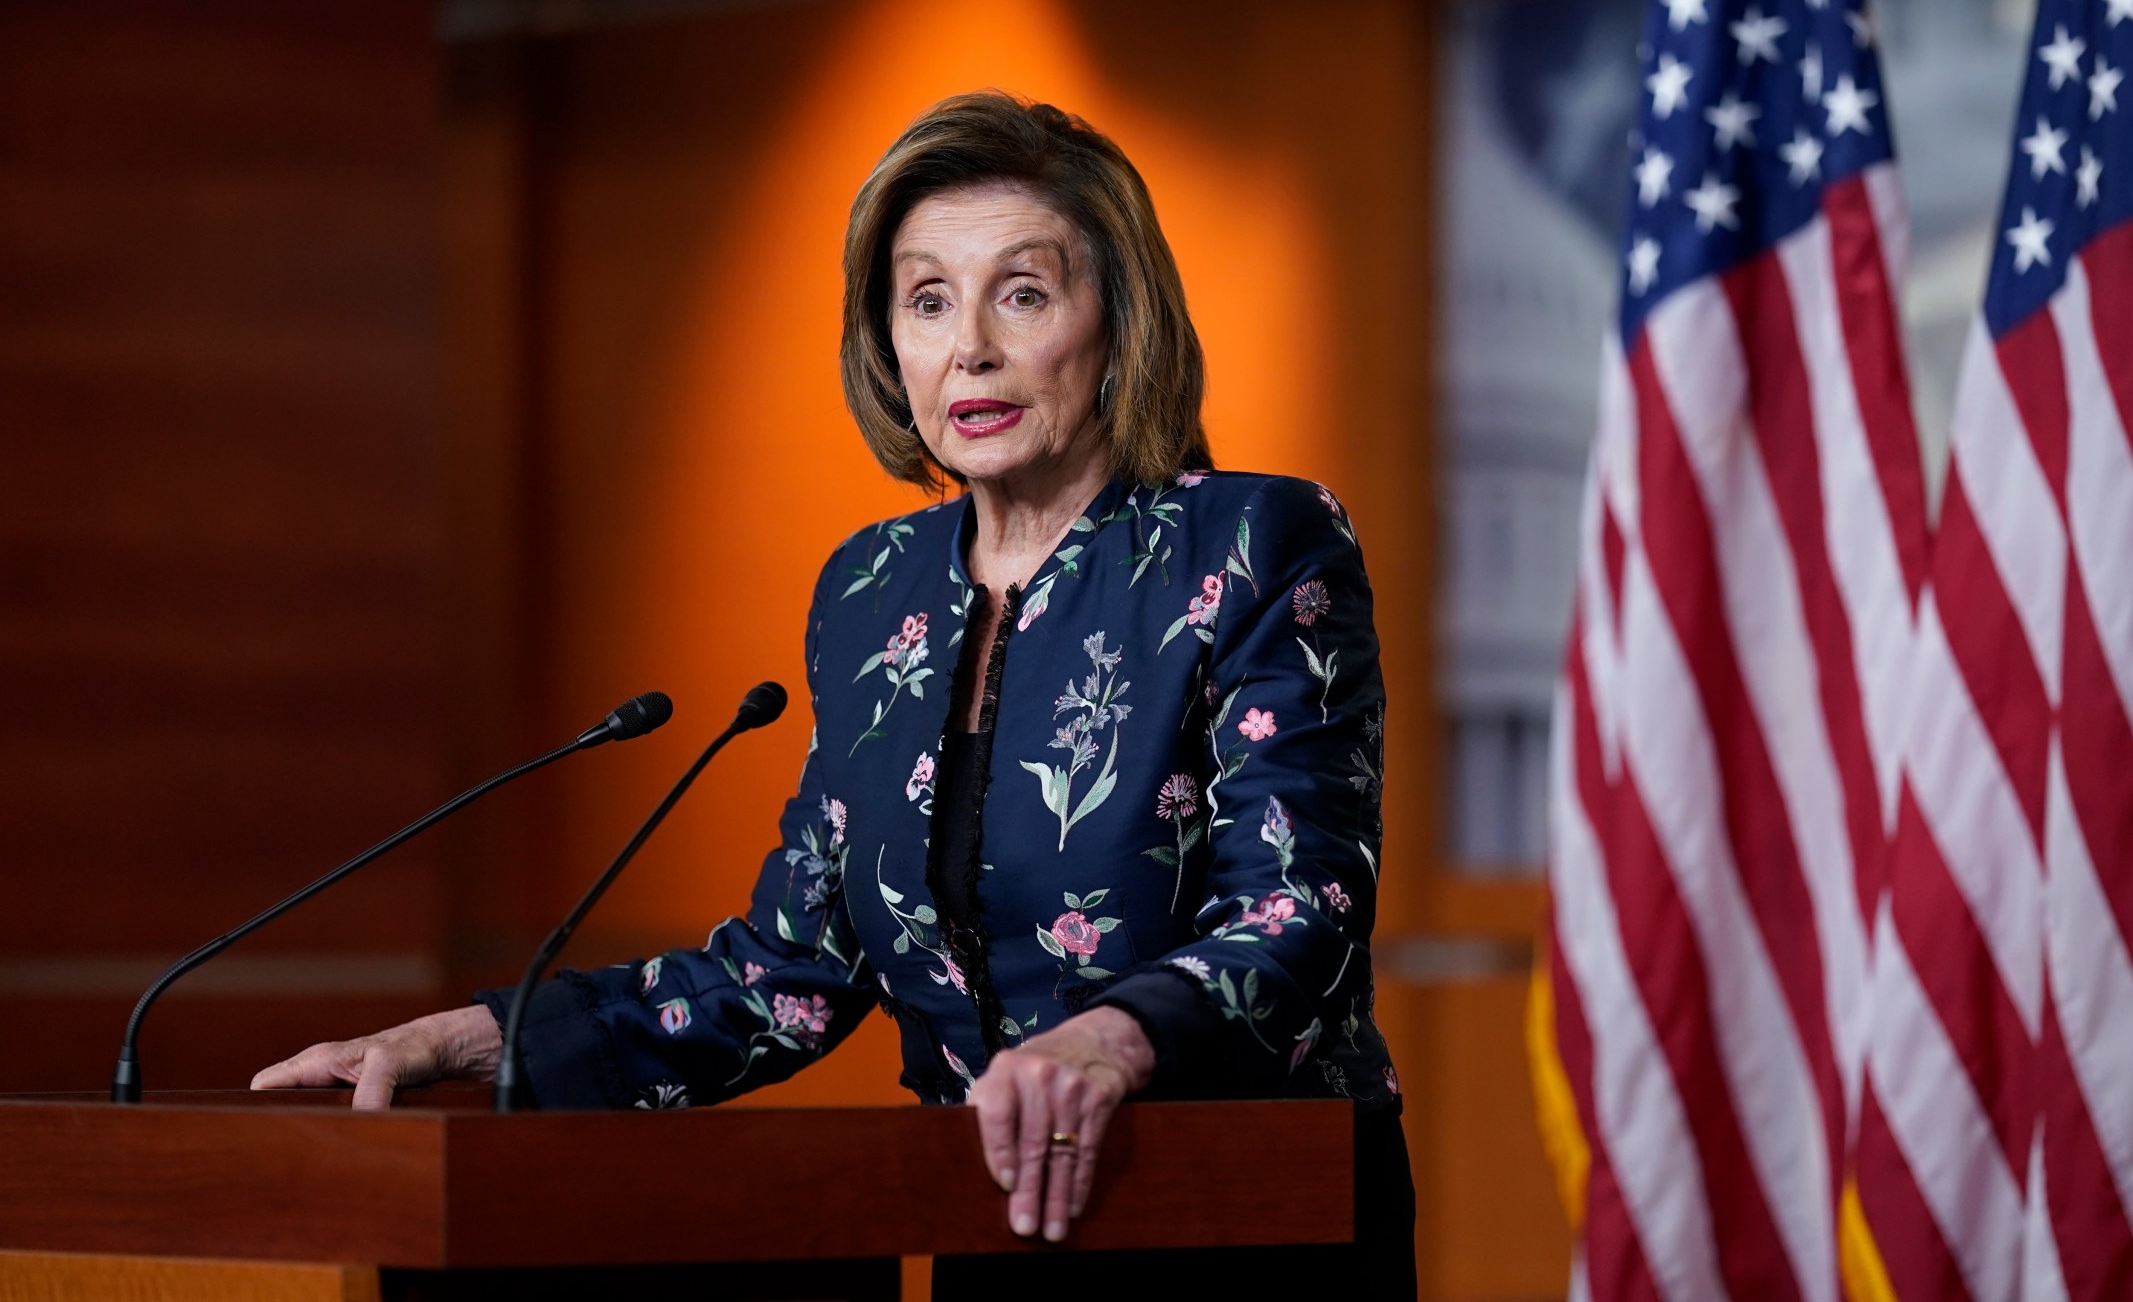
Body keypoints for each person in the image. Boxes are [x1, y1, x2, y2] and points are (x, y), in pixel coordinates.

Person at [253, 91, 1412, 1294]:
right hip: (988, 1213)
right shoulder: (874, 588)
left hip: (1247, 1218)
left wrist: (1113, 1042)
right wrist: (473, 1039)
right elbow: (787, 976)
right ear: (887, 343)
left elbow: (1304, 909)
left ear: (1118, 326)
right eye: (926, 300)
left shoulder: (1248, 541)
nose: (970, 344)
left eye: (1022, 292)